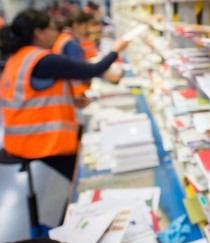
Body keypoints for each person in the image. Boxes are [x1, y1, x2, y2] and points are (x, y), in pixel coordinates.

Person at [0, 9, 129, 180]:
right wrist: (116, 50)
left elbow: (31, 97)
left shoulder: (18, 58)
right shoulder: (43, 60)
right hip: (39, 142)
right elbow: (92, 70)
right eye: (53, 29)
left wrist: (71, 100)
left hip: (18, 140)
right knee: (90, 170)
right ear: (38, 33)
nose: (56, 34)